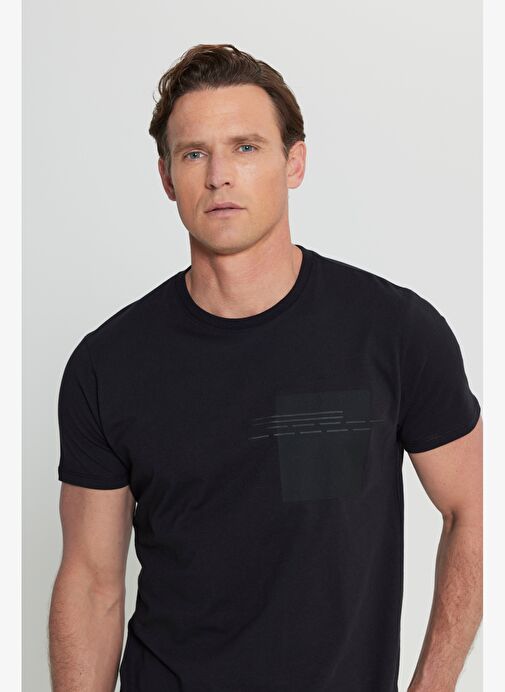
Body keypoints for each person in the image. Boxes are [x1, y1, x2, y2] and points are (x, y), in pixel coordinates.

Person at [48, 43, 483, 692]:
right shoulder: (107, 364)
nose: (219, 175)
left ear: (294, 162)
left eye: (246, 147)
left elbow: (474, 511)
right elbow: (90, 582)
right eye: (194, 154)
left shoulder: (392, 332)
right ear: (166, 177)